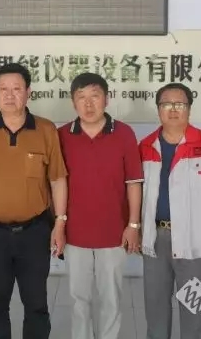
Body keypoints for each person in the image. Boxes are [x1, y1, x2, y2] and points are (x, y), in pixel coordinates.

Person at [0, 62, 68, 339]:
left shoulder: (46, 130)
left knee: (36, 304)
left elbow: (57, 180)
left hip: (35, 231)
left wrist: (60, 224)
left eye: (17, 89)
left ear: (28, 92)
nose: (9, 95)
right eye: (3, 89)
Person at [139, 83, 201, 339]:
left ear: (189, 109)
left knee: (195, 309)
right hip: (156, 241)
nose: (173, 110)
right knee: (156, 309)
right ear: (158, 109)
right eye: (166, 104)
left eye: (180, 104)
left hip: (195, 242)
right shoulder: (146, 146)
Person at [57, 73, 143, 339]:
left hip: (114, 232)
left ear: (107, 99)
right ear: (73, 102)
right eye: (81, 97)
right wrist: (58, 225)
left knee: (111, 298)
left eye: (95, 96)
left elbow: (133, 182)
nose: (88, 104)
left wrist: (133, 225)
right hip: (75, 233)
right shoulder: (62, 135)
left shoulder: (124, 133)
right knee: (78, 300)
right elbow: (56, 184)